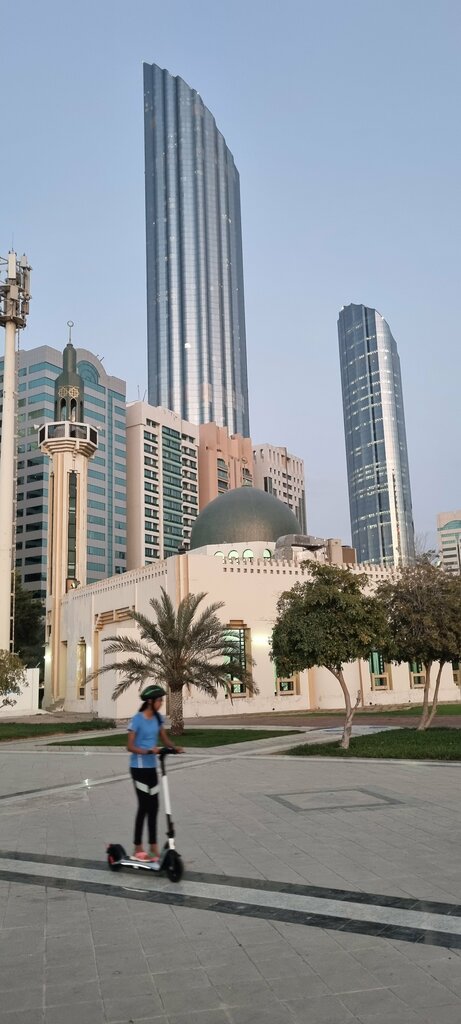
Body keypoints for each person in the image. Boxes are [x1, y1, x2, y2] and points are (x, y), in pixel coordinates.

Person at [127, 684, 183, 861]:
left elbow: (165, 740)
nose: (161, 703)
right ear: (150, 701)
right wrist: (148, 751)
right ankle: (137, 847)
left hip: (152, 769)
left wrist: (174, 748)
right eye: (160, 700)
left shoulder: (158, 719)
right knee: (144, 806)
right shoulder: (137, 719)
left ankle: (153, 847)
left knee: (155, 807)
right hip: (138, 768)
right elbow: (129, 746)